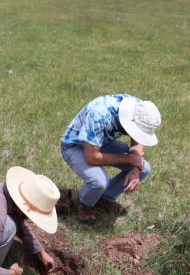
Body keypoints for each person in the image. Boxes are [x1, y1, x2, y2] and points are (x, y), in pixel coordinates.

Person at [60, 94, 161, 224]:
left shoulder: (139, 109)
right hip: (76, 146)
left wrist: (136, 168)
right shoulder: (98, 114)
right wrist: (130, 159)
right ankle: (86, 204)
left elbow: (137, 143)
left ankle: (105, 198)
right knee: (99, 181)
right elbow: (92, 158)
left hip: (103, 143)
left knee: (144, 168)